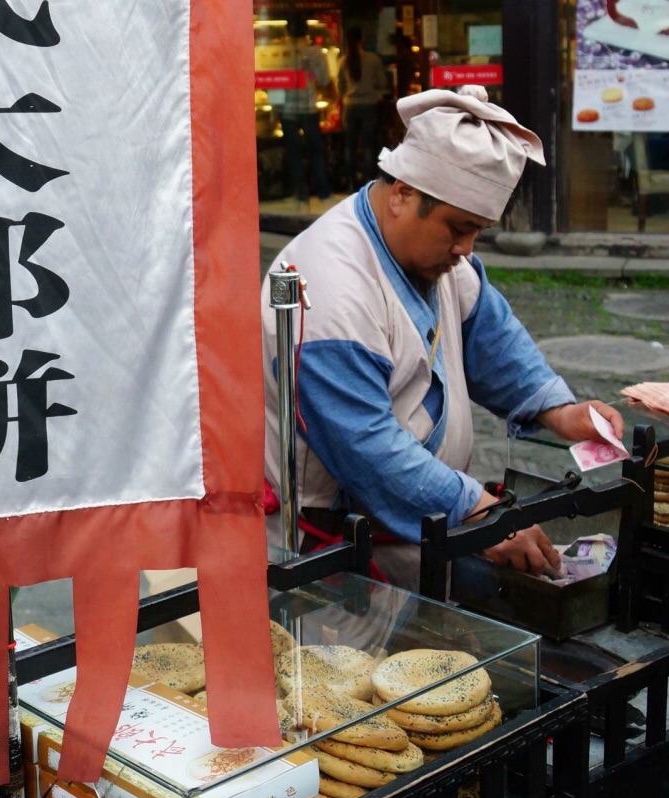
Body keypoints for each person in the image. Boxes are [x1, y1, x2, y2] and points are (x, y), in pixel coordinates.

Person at [262, 85, 624, 589]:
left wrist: (560, 412)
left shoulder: (447, 261)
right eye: (458, 228)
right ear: (404, 194)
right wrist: (476, 511)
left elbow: (495, 342)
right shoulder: (329, 288)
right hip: (337, 551)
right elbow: (364, 445)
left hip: (421, 526)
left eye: (478, 230)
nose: (466, 249)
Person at [278, 17, 332, 204]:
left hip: (287, 110)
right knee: (316, 151)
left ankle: (300, 195)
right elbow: (324, 80)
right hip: (309, 107)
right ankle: (323, 192)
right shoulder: (315, 53)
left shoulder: (282, 53)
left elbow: (276, 83)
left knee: (294, 153)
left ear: (287, 32)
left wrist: (276, 109)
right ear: (307, 31)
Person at [338, 27, 391, 189]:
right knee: (369, 145)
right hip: (369, 105)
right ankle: (370, 182)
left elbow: (340, 87)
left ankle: (351, 181)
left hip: (350, 106)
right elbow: (382, 82)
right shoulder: (373, 59)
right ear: (362, 39)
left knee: (350, 146)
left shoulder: (343, 61)